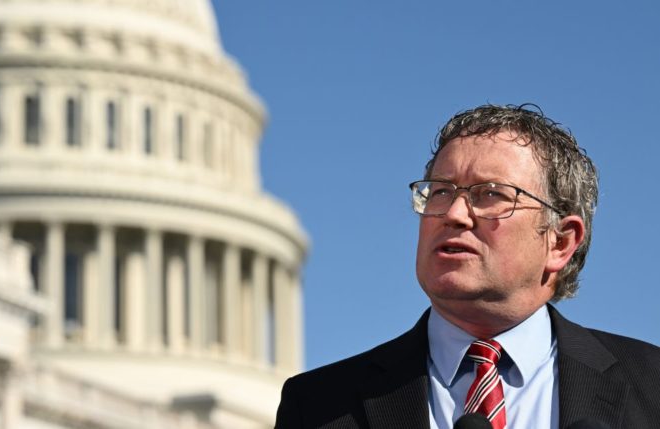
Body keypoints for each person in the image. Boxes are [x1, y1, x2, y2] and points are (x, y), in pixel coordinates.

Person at [274, 104, 660, 429]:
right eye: (440, 191)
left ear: (559, 242)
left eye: (490, 194)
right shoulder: (318, 406)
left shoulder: (650, 386)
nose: (454, 214)